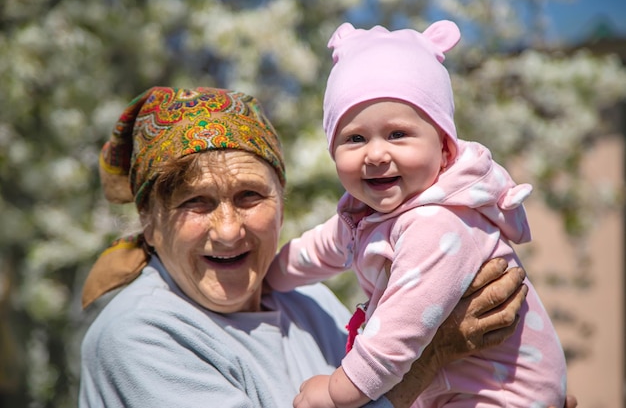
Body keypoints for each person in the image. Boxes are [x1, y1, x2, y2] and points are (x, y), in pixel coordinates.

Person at [78, 86, 575, 408]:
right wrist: (432, 355)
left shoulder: (305, 302)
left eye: (250, 196)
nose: (228, 230)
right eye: (196, 203)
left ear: (282, 201)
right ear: (149, 221)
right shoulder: (138, 335)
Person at [264, 21, 567, 408]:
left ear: (444, 149)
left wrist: (338, 391)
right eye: (355, 138)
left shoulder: (440, 222)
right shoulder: (365, 214)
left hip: (504, 395)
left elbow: (399, 330)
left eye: (397, 135)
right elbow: (318, 249)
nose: (375, 154)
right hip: (450, 388)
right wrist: (265, 280)